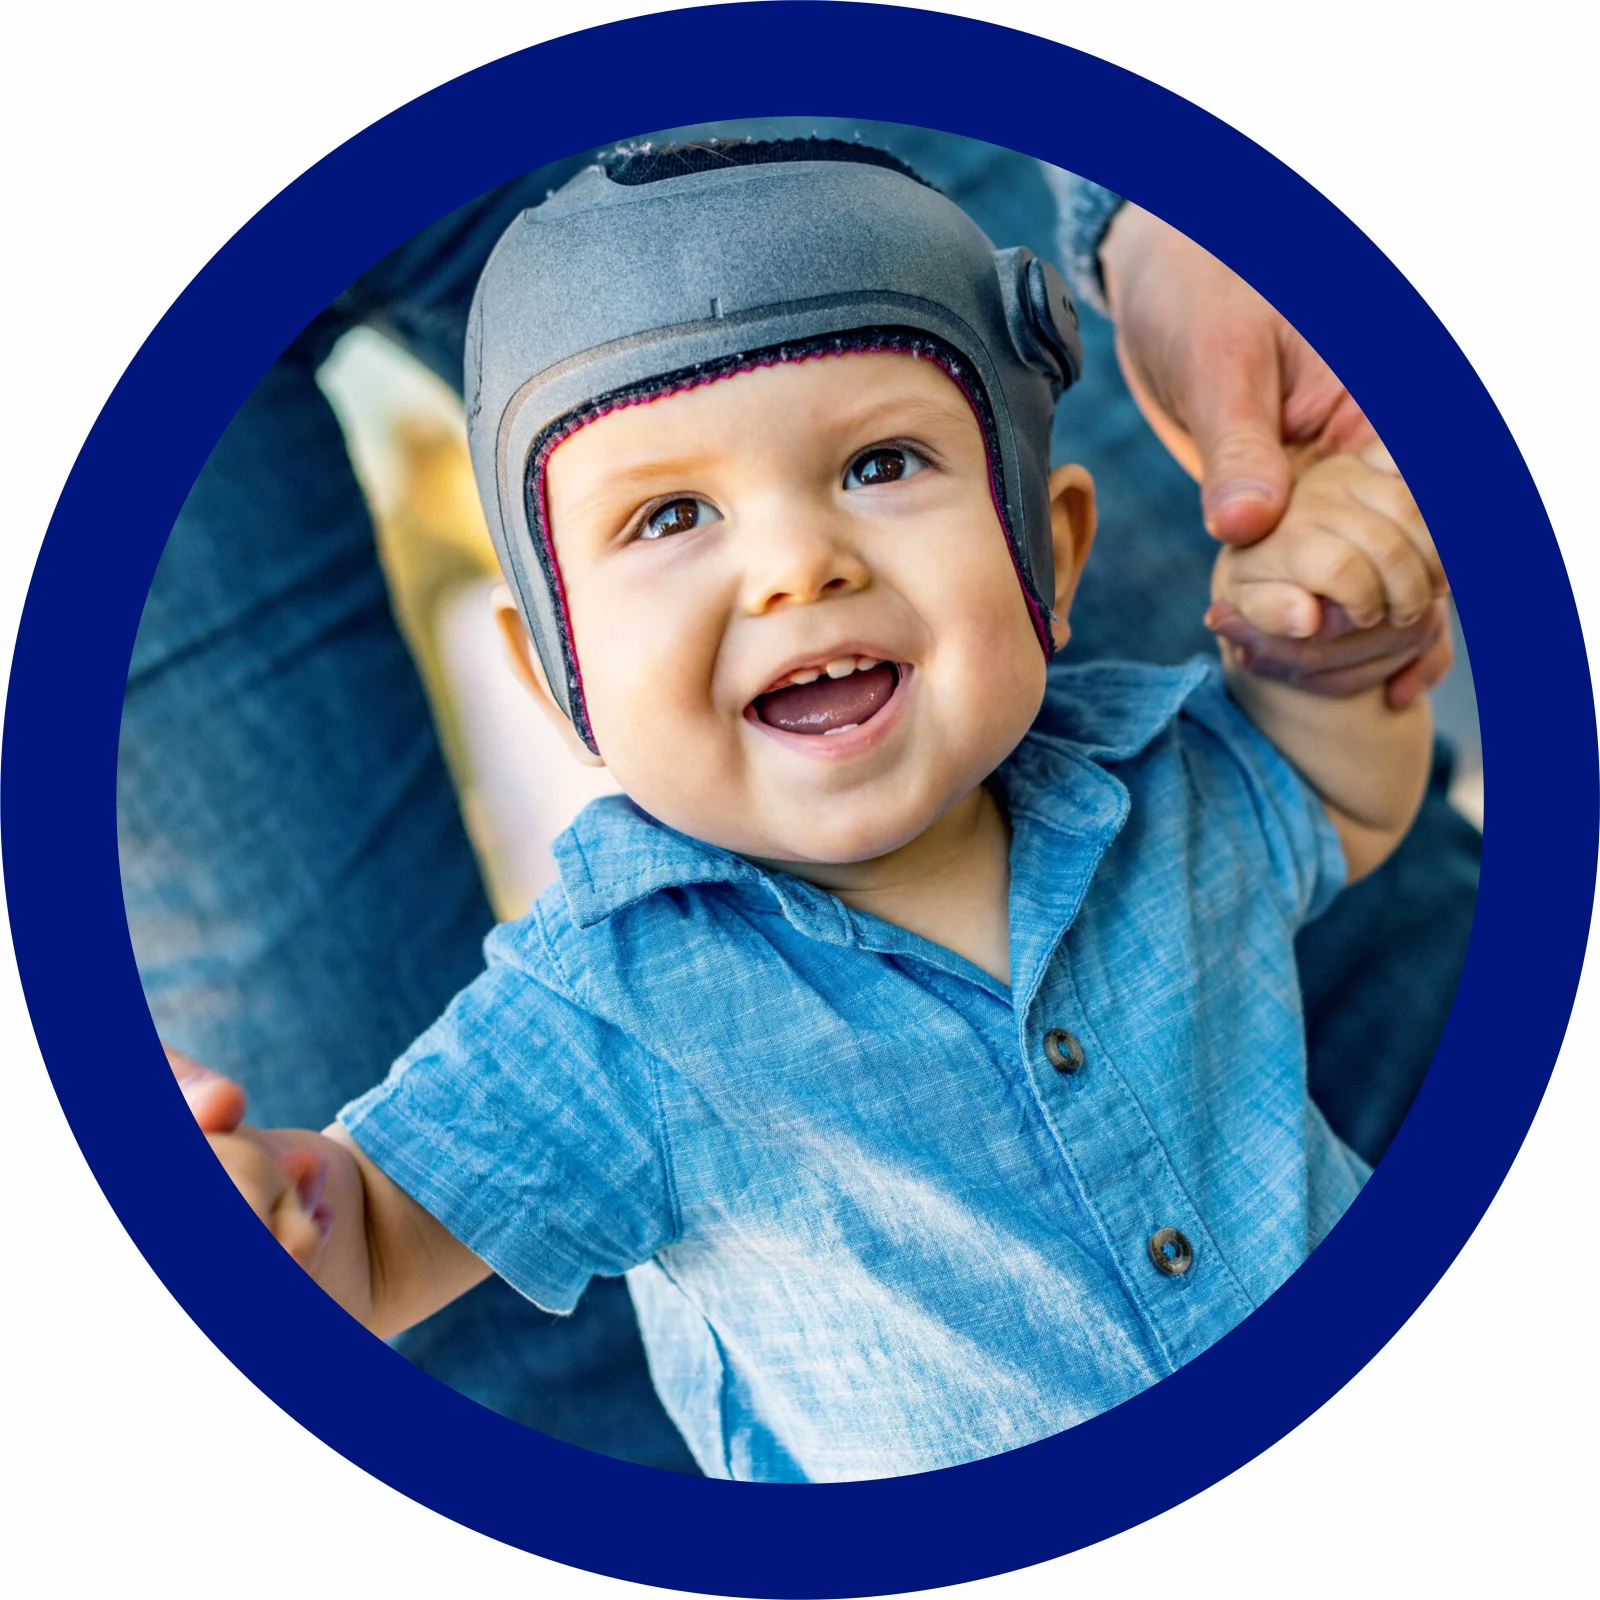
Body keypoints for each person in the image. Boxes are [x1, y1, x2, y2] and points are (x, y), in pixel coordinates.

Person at [125, 121, 1476, 1469]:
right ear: (560, 679)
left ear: (1051, 553)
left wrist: (1327, 649)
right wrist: (282, 1224)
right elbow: (380, 1230)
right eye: (669, 517)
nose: (793, 565)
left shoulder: (1158, 775)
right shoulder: (610, 1012)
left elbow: (1338, 799)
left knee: (1406, 965)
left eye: (880, 465)